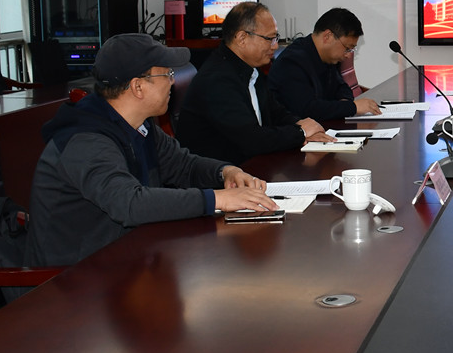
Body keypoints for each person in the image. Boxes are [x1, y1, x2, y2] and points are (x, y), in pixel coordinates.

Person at [26, 33, 278, 267]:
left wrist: (225, 172)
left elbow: (184, 166)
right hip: (73, 279)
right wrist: (217, 199)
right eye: (167, 74)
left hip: (127, 257)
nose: (172, 82)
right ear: (138, 87)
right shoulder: (86, 140)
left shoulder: (139, 125)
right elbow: (129, 203)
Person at [176, 1, 335, 165]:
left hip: (249, 165)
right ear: (242, 38)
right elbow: (252, 140)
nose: (275, 46)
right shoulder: (217, 80)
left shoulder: (250, 70)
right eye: (269, 39)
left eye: (276, 38)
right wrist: (300, 133)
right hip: (220, 174)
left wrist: (300, 124)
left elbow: (276, 112)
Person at [269, 7, 381, 123]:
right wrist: (352, 107)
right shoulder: (292, 62)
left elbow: (341, 87)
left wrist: (344, 101)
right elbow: (306, 109)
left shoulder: (328, 57)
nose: (348, 55)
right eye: (347, 48)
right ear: (327, 36)